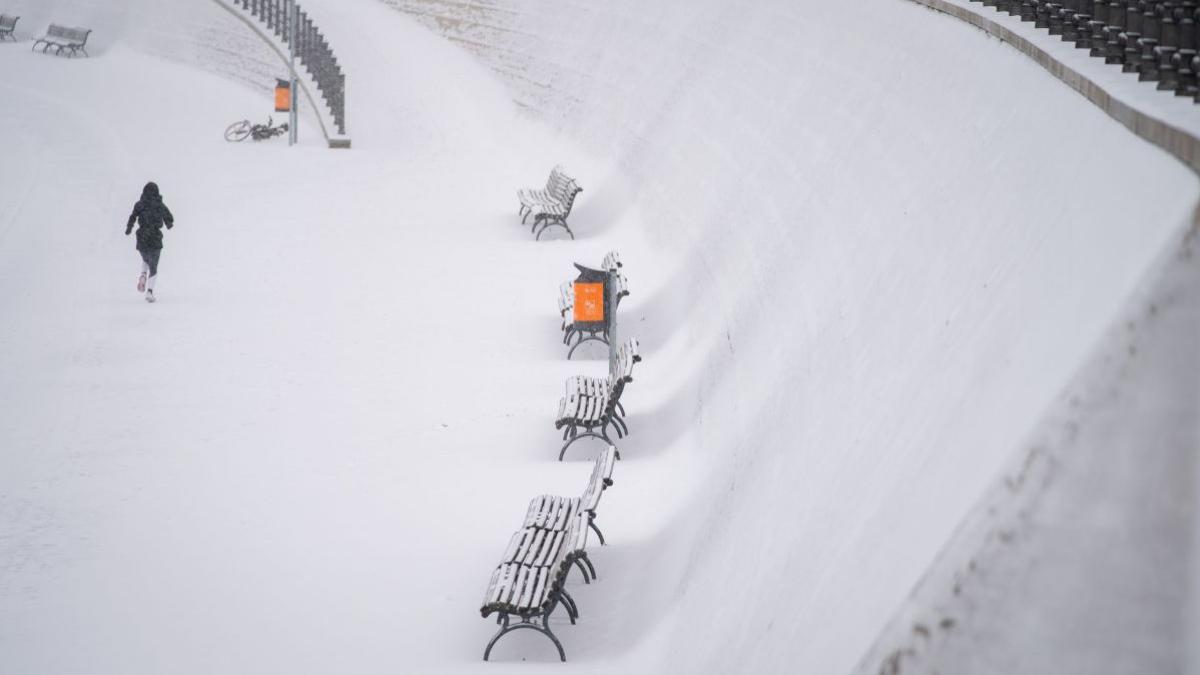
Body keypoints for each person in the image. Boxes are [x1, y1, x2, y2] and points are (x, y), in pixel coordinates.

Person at [124, 182, 175, 303]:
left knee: (146, 258)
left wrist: (129, 228)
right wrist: (169, 224)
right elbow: (169, 217)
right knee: (153, 266)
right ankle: (149, 292)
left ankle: (142, 275)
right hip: (155, 238)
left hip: (141, 237)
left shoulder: (139, 204)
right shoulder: (159, 205)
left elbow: (132, 217)